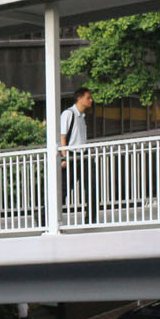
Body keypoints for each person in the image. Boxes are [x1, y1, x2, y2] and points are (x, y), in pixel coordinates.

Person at [58, 88, 95, 224]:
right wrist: (65, 157)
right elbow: (62, 136)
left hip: (83, 155)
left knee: (91, 186)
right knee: (64, 189)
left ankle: (91, 218)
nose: (90, 100)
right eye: (88, 98)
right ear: (79, 99)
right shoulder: (69, 114)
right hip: (72, 156)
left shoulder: (82, 117)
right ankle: (46, 215)